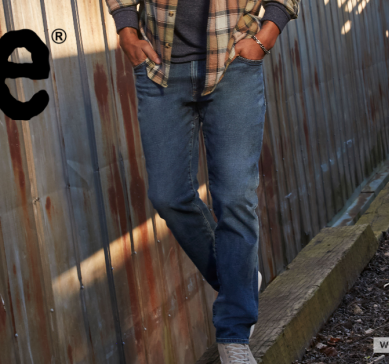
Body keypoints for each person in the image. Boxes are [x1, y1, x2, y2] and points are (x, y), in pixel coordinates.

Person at [104, 0, 299, 362]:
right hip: (161, 70)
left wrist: (266, 34)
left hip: (232, 64)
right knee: (168, 196)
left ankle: (233, 337)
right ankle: (240, 283)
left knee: (235, 197)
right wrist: (126, 30)